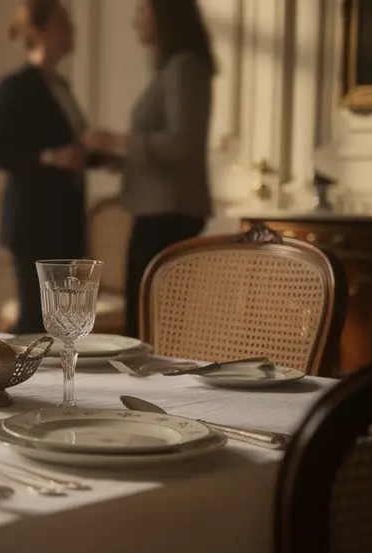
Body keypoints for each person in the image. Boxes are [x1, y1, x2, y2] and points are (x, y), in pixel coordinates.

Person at [82, 0, 216, 338]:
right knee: (146, 320)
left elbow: (183, 142)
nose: (135, 21)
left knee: (149, 323)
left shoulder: (185, 66)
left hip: (167, 214)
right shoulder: (173, 68)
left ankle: (149, 390)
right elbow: (163, 147)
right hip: (159, 210)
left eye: (143, 11)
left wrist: (117, 142)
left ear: (165, 15)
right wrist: (117, 157)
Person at [0, 0, 108, 335]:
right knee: (36, 323)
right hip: (34, 224)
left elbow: (72, 148)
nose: (73, 30)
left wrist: (107, 155)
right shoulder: (16, 86)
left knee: (64, 324)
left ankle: (60, 387)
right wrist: (49, 157)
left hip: (66, 220)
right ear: (39, 32)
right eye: (64, 23)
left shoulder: (61, 86)